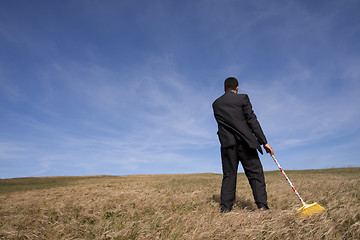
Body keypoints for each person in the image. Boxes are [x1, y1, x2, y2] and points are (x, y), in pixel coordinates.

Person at [212, 77, 274, 212]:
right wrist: (264, 142)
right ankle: (262, 207)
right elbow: (252, 120)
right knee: (255, 174)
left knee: (229, 175)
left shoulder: (216, 104)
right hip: (246, 143)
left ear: (224, 88)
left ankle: (226, 209)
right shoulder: (242, 98)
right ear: (237, 87)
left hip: (227, 145)